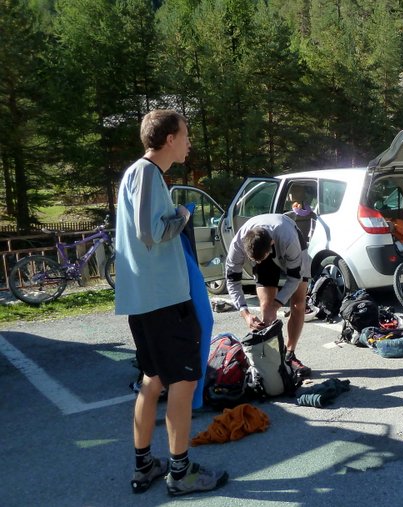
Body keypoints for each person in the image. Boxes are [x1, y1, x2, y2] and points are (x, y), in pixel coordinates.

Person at [115, 109, 227, 496]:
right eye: (185, 134)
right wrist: (181, 215)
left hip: (146, 299)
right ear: (168, 140)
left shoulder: (137, 174)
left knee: (154, 380)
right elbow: (151, 232)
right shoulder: (147, 173)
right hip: (163, 301)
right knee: (183, 381)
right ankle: (180, 473)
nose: (189, 141)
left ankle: (145, 465)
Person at [225, 213, 313, 377]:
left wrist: (278, 303)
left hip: (291, 247)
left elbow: (295, 277)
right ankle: (272, 359)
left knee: (298, 304)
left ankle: (290, 354)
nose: (256, 264)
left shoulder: (288, 239)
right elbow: (232, 281)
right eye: (254, 261)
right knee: (266, 307)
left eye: (259, 259)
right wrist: (245, 313)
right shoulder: (238, 243)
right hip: (265, 251)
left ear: (271, 245)